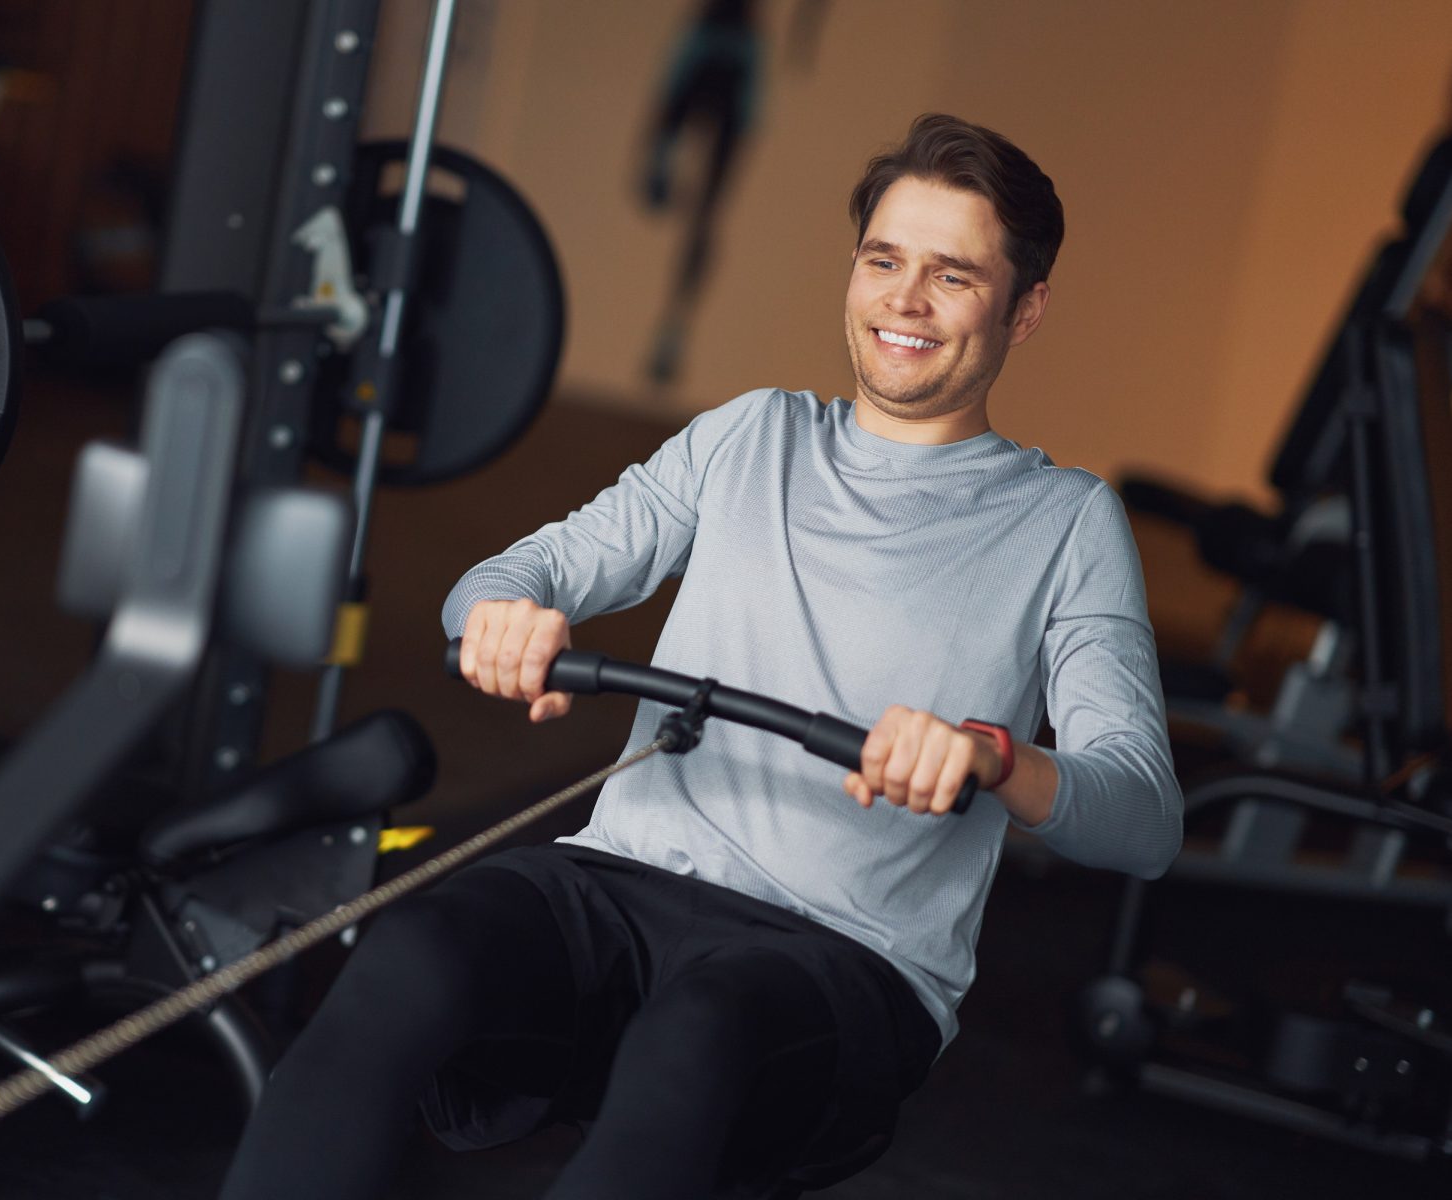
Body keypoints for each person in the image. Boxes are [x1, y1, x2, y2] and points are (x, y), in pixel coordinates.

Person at [222, 112, 1184, 1200]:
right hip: (620, 885)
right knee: (414, 949)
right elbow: (515, 576)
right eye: (882, 261)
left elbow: (1142, 819)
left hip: (840, 959)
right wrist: (506, 614)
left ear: (1024, 309)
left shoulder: (1064, 522)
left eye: (952, 276)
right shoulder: (749, 437)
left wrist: (992, 757)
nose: (904, 301)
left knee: (700, 1025)